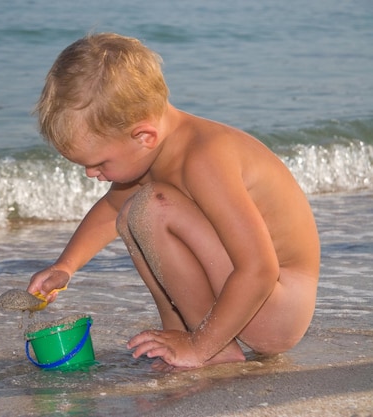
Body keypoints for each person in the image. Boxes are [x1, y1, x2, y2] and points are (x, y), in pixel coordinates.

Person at [26, 33, 320, 370]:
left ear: (144, 136)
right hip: (254, 298)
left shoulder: (204, 158)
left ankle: (209, 346)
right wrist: (65, 266)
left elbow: (260, 270)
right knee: (129, 214)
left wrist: (202, 346)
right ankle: (179, 332)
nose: (92, 174)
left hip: (276, 306)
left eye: (100, 163)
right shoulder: (156, 152)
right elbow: (110, 210)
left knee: (152, 207)